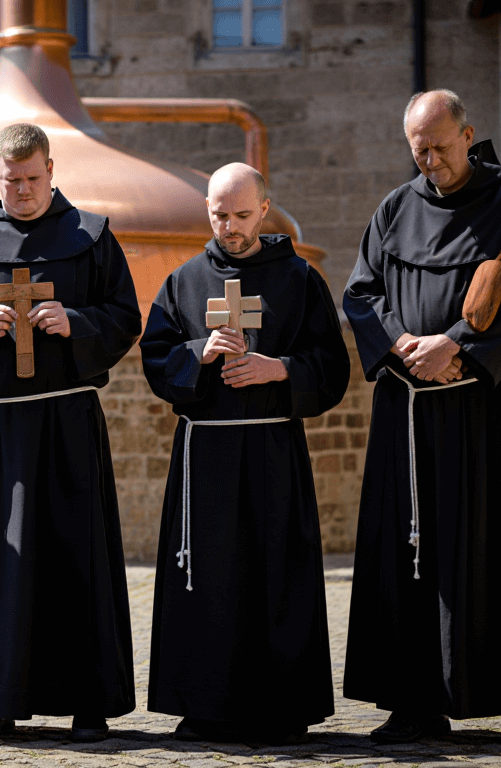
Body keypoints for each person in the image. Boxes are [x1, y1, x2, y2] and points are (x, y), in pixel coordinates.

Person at [343, 90, 501, 743]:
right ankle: (413, 701)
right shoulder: (393, 210)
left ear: (467, 135)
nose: (429, 160)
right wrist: (406, 347)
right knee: (410, 552)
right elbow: (361, 294)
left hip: (486, 409)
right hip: (409, 409)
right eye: (418, 150)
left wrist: (458, 343)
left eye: (439, 146)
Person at [0, 123, 141, 742]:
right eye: (11, 179)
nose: (21, 190)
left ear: (52, 170)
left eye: (33, 178)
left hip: (65, 422)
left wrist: (75, 321)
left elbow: (126, 317)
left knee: (77, 555)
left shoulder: (91, 238)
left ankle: (87, 703)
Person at [140, 163, 349, 744]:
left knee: (277, 571)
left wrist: (278, 367)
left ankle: (284, 706)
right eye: (218, 214)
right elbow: (155, 362)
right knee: (203, 577)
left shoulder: (300, 280)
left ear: (263, 209)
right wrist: (197, 354)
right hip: (204, 454)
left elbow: (332, 369)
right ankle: (203, 705)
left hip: (272, 449)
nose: (229, 227)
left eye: (239, 214)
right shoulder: (182, 282)